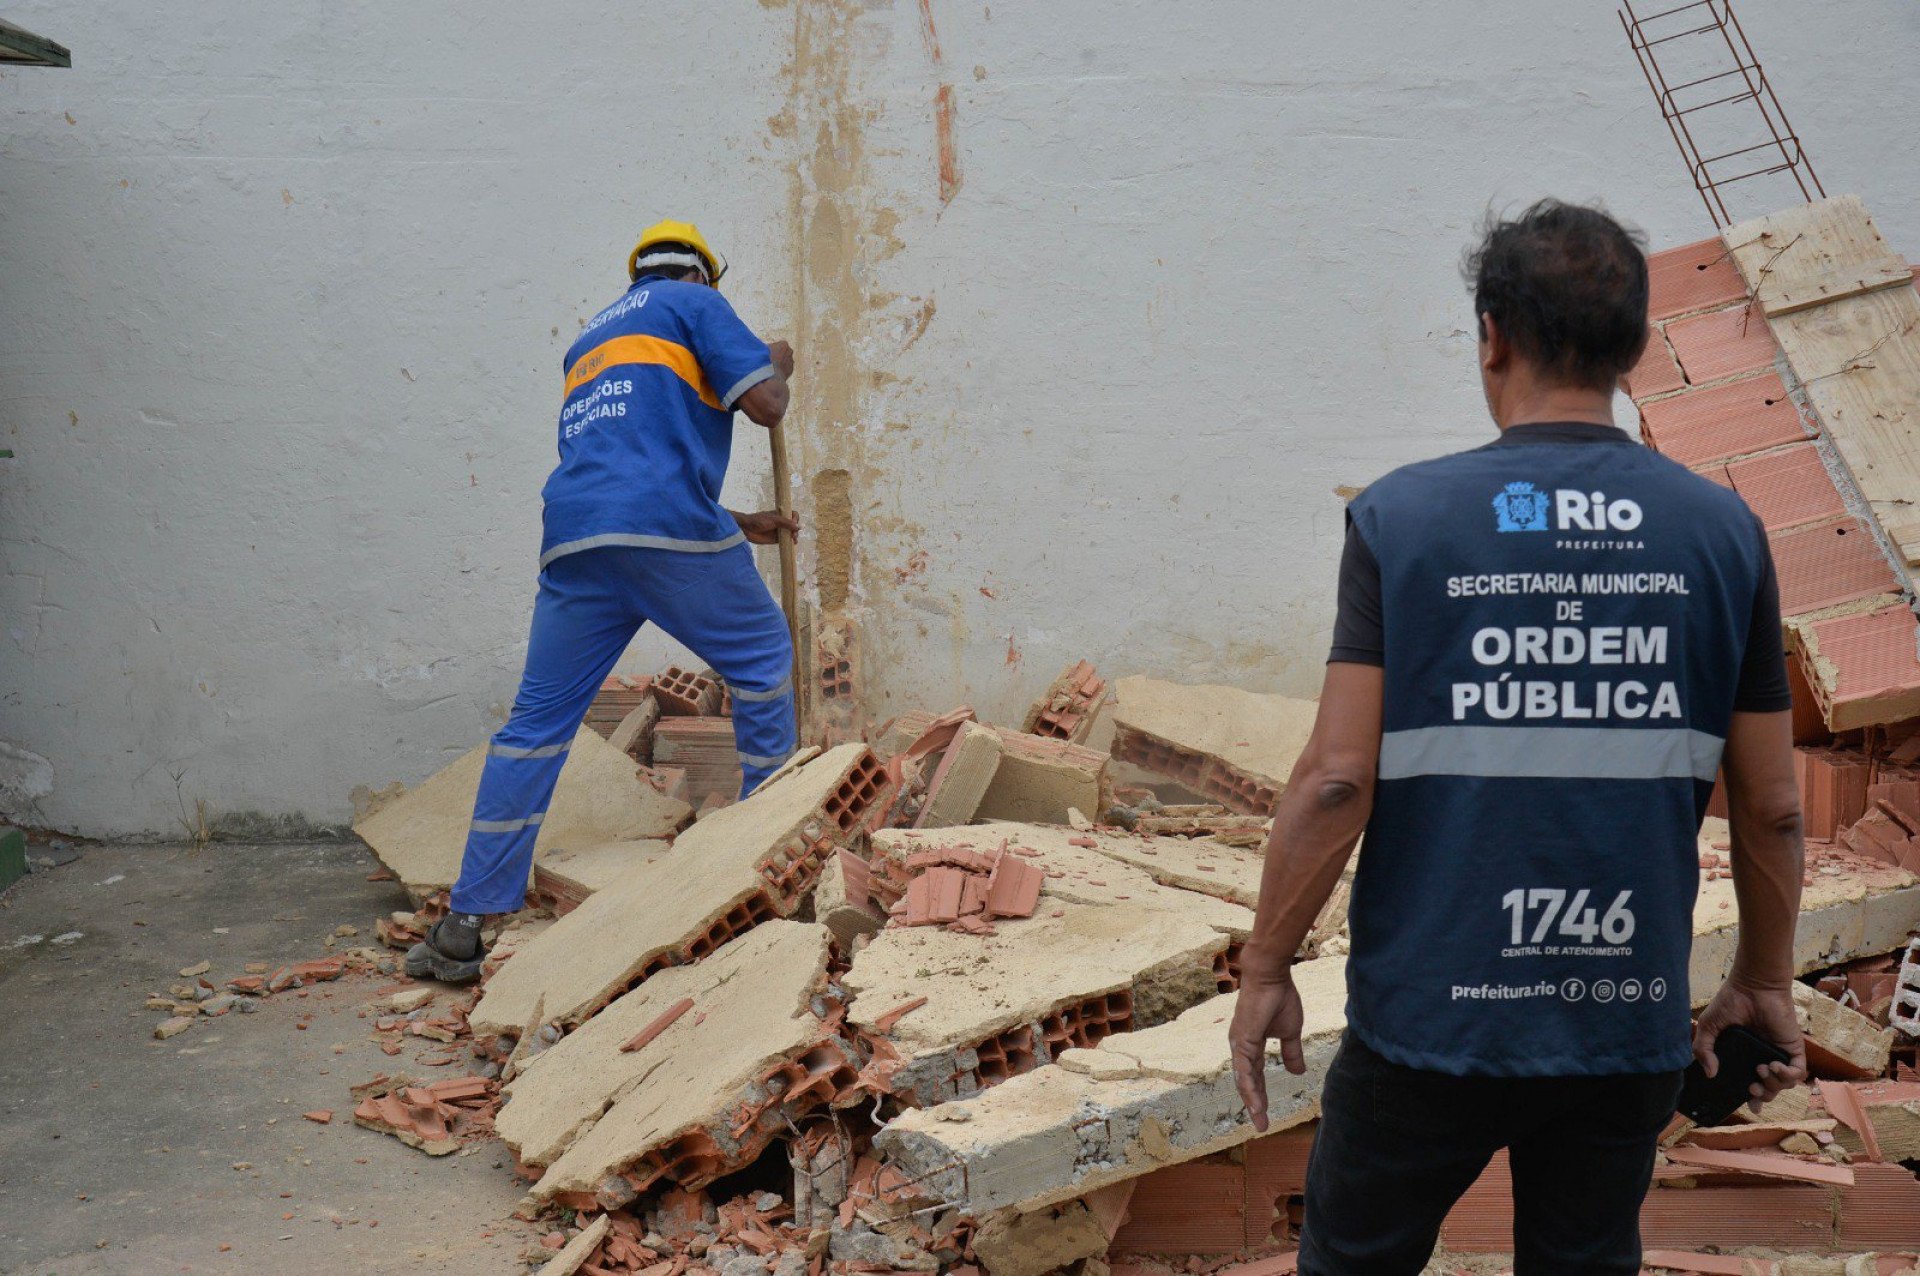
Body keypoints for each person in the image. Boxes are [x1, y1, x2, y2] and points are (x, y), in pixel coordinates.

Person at [1227, 199, 1809, 1275]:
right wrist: (1764, 979)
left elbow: (1337, 779)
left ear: (1491, 335)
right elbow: (1773, 806)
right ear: (1635, 348)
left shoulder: (1404, 519)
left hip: (1427, 1026)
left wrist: (1267, 962)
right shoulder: (1724, 533)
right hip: (1620, 1024)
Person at [407, 219, 800, 984]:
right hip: (664, 527)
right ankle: (767, 866)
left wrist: (736, 523)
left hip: (577, 540)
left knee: (534, 727)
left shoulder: (590, 342)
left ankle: (465, 923)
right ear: (702, 274)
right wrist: (774, 362)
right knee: (762, 663)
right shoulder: (696, 303)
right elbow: (768, 405)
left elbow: (624, 469)